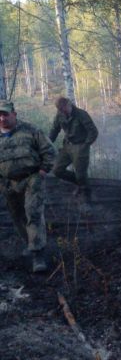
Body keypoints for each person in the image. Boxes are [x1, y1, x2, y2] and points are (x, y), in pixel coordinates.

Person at [0, 100, 56, 272]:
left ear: (14, 114)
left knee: (33, 212)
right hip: (8, 182)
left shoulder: (31, 131)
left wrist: (43, 171)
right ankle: (30, 243)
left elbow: (49, 151)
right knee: (18, 216)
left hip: (32, 178)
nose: (2, 118)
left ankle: (38, 255)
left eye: (5, 114)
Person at [48, 97, 98, 203]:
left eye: (64, 108)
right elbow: (54, 130)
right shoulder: (59, 115)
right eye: (60, 109)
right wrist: (47, 144)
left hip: (80, 145)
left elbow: (93, 131)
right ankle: (81, 185)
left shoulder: (81, 114)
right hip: (67, 146)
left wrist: (86, 145)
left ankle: (86, 197)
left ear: (69, 104)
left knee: (81, 173)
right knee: (57, 170)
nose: (63, 111)